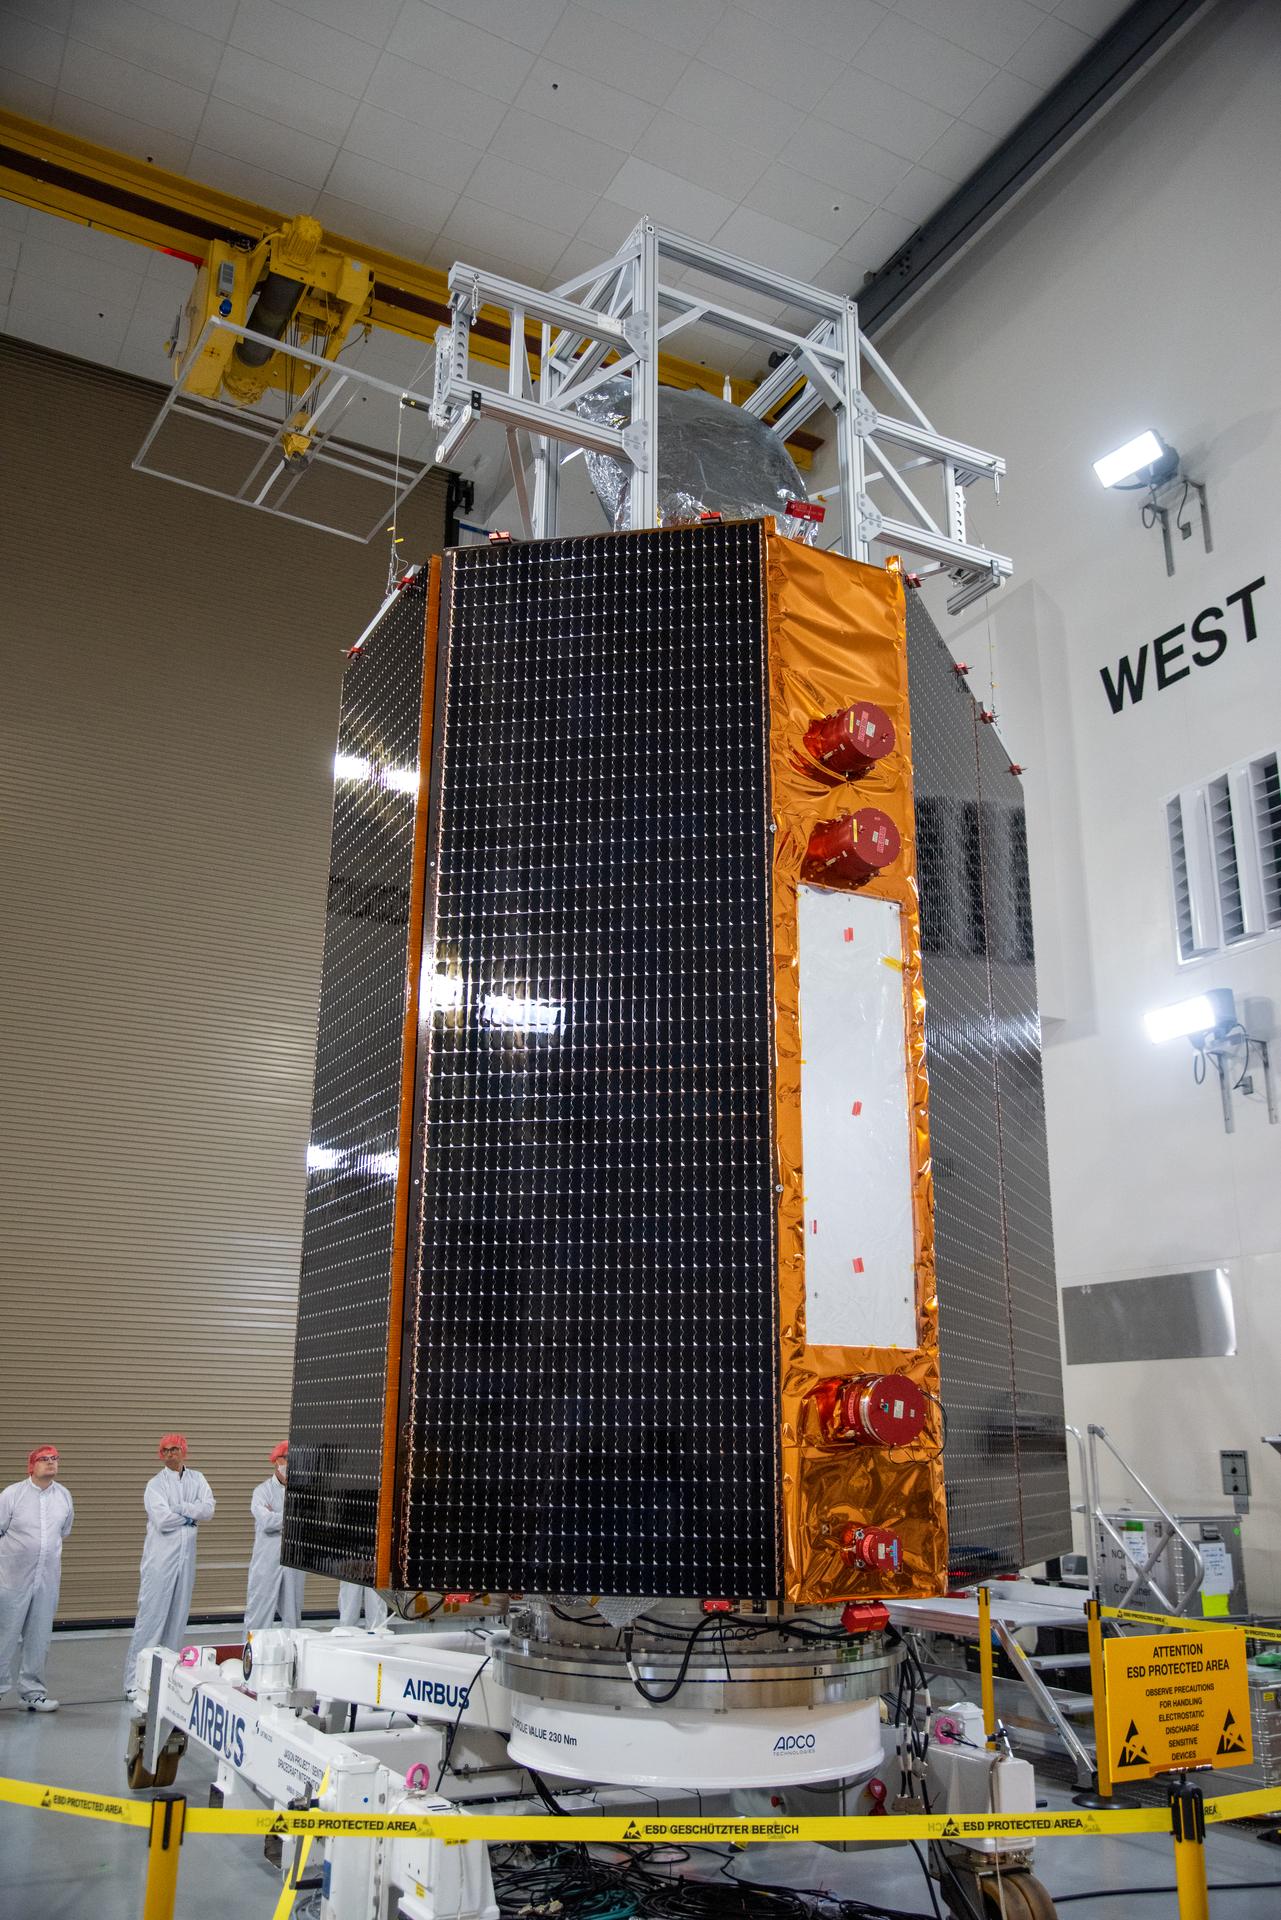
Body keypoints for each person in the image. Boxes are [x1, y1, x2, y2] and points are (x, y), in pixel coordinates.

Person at [124, 1435, 215, 1691]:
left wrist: (180, 1508)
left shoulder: (198, 1479)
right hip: (160, 1561)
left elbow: (208, 1510)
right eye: (165, 1450)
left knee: (177, 1619)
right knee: (151, 1620)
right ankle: (135, 1683)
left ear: (183, 1451)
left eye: (174, 1449)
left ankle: (167, 1681)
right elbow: (162, 1520)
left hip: (186, 1560)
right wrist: (190, 1515)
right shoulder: (155, 1485)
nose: (170, 1453)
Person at [0, 1446, 74, 1712]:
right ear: (31, 1466)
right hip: (12, 1580)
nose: (51, 1463)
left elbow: (63, 1532)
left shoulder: (63, 1496)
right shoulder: (12, 1495)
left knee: (39, 1637)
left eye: (55, 1458)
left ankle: (32, 1693)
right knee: (4, 1636)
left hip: (46, 1580)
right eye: (44, 1459)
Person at [244, 1442, 304, 1631]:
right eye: (286, 1458)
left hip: (294, 1560)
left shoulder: (304, 1493)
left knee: (292, 1617)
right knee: (259, 1613)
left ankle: (292, 1658)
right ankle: (252, 1656)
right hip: (267, 1560)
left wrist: (278, 1517)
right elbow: (266, 1522)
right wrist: (292, 1519)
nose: (289, 1463)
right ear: (276, 1460)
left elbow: (307, 1522)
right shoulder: (262, 1491)